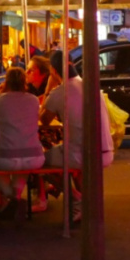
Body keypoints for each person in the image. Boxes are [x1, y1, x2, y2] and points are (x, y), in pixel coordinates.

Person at [39, 51, 114, 222]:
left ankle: (76, 198)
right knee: (71, 161)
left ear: (53, 71)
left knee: (38, 162)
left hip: (83, 155)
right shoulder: (90, 86)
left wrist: (48, 88)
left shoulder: (60, 92)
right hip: (105, 151)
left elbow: (43, 120)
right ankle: (87, 203)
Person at [0, 67, 45, 222]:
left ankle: (12, 198)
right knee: (24, 159)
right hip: (34, 156)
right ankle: (17, 196)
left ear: (6, 81)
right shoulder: (33, 100)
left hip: (6, 157)